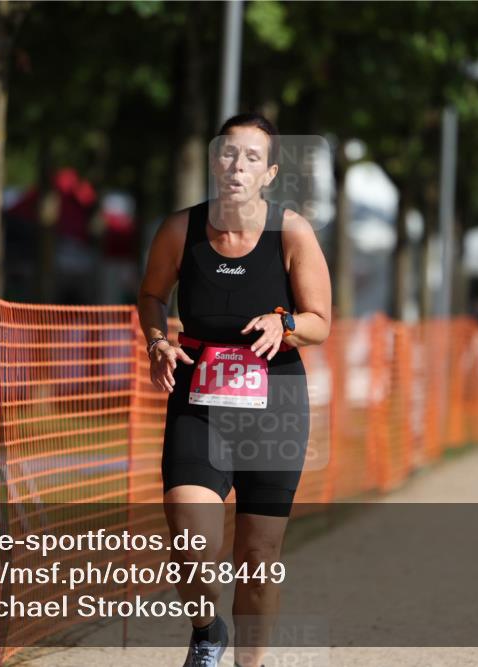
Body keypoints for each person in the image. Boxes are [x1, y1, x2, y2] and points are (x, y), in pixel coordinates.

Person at [137, 112, 332, 667]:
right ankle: (207, 628)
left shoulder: (291, 232)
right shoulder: (181, 230)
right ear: (213, 160)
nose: (236, 165)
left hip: (275, 405)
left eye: (251, 157)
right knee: (191, 539)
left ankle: (251, 662)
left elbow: (320, 319)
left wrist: (286, 325)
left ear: (269, 173)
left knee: (258, 552)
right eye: (228, 153)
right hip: (199, 401)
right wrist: (156, 340)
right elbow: (151, 296)